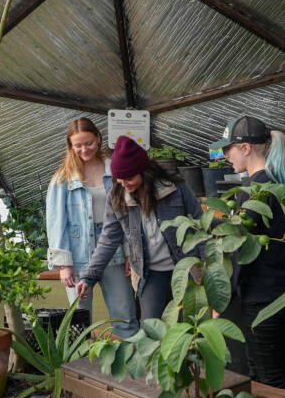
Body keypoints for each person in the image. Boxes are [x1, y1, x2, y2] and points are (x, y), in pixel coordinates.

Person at [210, 115, 285, 388]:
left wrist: (219, 296)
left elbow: (238, 246)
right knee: (258, 371)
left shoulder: (258, 192)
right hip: (271, 292)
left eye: (229, 149)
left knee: (271, 376)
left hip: (264, 297)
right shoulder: (269, 184)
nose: (226, 156)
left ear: (245, 148)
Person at [76, 136, 204, 321]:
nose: (124, 184)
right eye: (119, 179)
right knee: (151, 328)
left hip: (185, 268)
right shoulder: (117, 197)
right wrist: (88, 277)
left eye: (129, 178)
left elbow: (199, 224)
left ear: (145, 172)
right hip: (149, 272)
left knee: (189, 326)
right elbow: (108, 240)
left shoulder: (175, 189)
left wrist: (206, 264)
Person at [46, 118, 138, 338]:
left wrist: (129, 252)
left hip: (113, 250)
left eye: (88, 143)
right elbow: (56, 222)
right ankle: (81, 369)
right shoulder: (63, 179)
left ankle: (134, 365)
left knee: (125, 314)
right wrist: (63, 264)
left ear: (98, 138)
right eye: (77, 145)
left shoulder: (114, 172)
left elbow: (127, 214)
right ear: (70, 146)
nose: (84, 149)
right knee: (79, 320)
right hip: (78, 255)